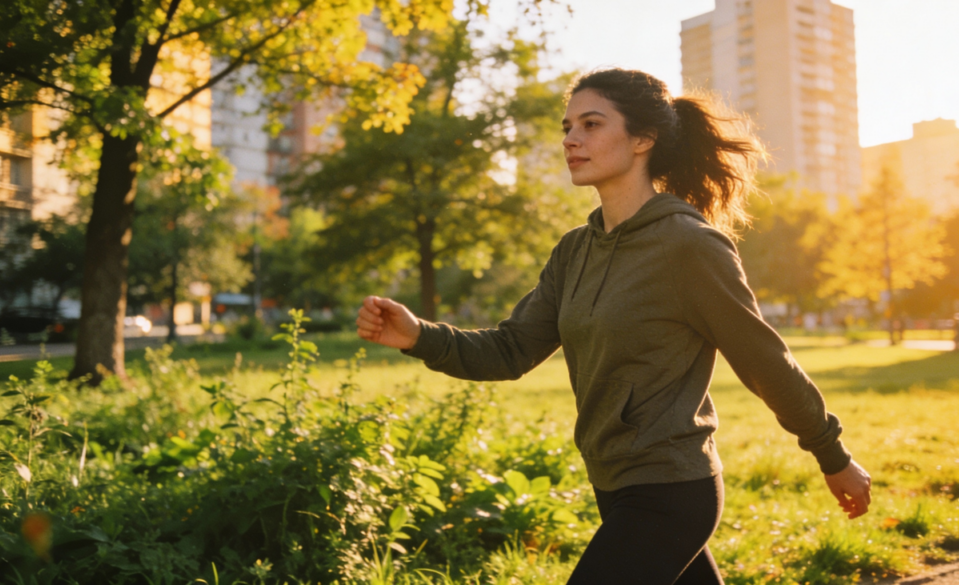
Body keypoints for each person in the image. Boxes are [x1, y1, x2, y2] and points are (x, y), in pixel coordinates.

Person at [356, 68, 871, 585]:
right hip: (612, 483)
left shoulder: (688, 245)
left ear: (643, 139)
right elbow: (511, 350)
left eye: (591, 124)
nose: (570, 139)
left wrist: (832, 455)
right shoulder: (575, 250)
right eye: (567, 127)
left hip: (670, 490)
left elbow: (765, 362)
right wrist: (418, 335)